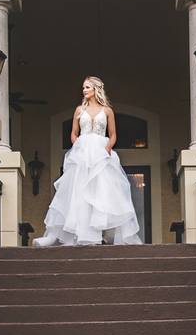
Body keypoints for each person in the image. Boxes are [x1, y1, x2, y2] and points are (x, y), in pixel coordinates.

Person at [34, 76, 142, 246]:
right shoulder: (79, 110)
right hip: (82, 152)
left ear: (95, 89)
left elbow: (113, 135)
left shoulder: (107, 111)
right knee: (78, 191)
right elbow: (73, 133)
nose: (84, 90)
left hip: (101, 152)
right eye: (83, 88)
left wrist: (107, 149)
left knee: (102, 192)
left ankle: (101, 233)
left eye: (87, 87)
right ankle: (63, 234)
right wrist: (77, 145)